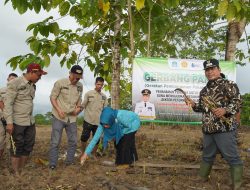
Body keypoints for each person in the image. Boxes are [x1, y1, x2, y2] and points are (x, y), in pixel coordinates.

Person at [185, 59, 243, 189]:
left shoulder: (229, 84)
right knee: (207, 155)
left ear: (219, 70)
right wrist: (194, 105)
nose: (210, 72)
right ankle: (202, 178)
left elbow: (238, 102)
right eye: (207, 70)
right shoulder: (204, 90)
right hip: (208, 129)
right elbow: (202, 108)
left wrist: (225, 110)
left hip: (224, 128)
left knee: (231, 157)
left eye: (213, 69)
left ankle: (238, 185)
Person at [3, 63, 47, 175]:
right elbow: (8, 104)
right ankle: (16, 171)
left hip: (30, 121)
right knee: (17, 146)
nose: (40, 78)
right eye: (38, 75)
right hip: (17, 121)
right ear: (31, 72)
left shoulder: (33, 85)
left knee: (28, 145)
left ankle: (21, 169)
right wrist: (9, 123)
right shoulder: (15, 83)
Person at [49, 65, 83, 170]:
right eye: (75, 76)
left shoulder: (80, 86)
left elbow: (79, 100)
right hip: (59, 116)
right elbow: (52, 98)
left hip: (72, 118)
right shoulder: (60, 83)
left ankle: (69, 162)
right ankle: (53, 164)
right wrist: (59, 110)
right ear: (70, 73)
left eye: (79, 77)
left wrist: (78, 108)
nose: (77, 79)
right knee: (55, 141)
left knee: (73, 141)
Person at [79, 77, 108, 159]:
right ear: (95, 84)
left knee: (97, 139)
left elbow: (105, 110)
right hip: (88, 120)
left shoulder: (104, 97)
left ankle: (93, 154)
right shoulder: (89, 94)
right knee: (84, 137)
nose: (99, 86)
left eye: (101, 85)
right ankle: (83, 153)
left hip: (99, 122)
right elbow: (83, 105)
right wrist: (77, 110)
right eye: (98, 84)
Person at [0, 73, 18, 158]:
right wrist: (5, 114)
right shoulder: (2, 90)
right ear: (7, 79)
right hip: (2, 117)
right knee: (1, 139)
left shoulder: (18, 91)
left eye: (14, 79)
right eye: (11, 78)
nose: (12, 80)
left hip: (13, 118)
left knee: (11, 139)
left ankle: (13, 158)